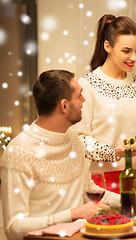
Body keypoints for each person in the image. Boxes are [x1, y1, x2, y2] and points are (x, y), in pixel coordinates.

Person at [0, 70, 120, 240]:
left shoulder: (74, 140)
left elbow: (88, 190)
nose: (84, 100)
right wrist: (72, 214)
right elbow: (14, 228)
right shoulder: (19, 152)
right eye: (79, 96)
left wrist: (132, 200)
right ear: (64, 106)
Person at [72, 14, 136, 197]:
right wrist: (116, 152)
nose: (134, 57)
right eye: (126, 51)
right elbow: (81, 141)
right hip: (102, 179)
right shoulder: (87, 85)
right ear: (107, 46)